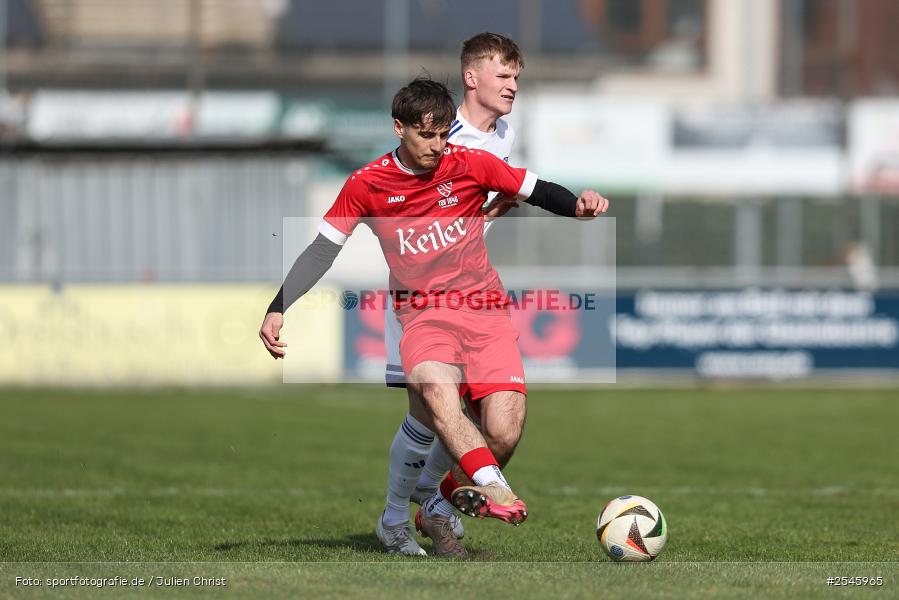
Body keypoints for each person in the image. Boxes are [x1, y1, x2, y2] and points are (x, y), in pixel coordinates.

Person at [259, 77, 608, 558]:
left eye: (445, 134)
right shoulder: (367, 184)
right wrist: (279, 306)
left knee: (504, 430)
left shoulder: (469, 164)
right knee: (435, 401)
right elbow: (322, 250)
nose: (438, 146)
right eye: (428, 135)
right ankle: (475, 494)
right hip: (423, 315)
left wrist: (579, 206)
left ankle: (436, 509)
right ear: (398, 128)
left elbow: (536, 190)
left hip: (483, 310)